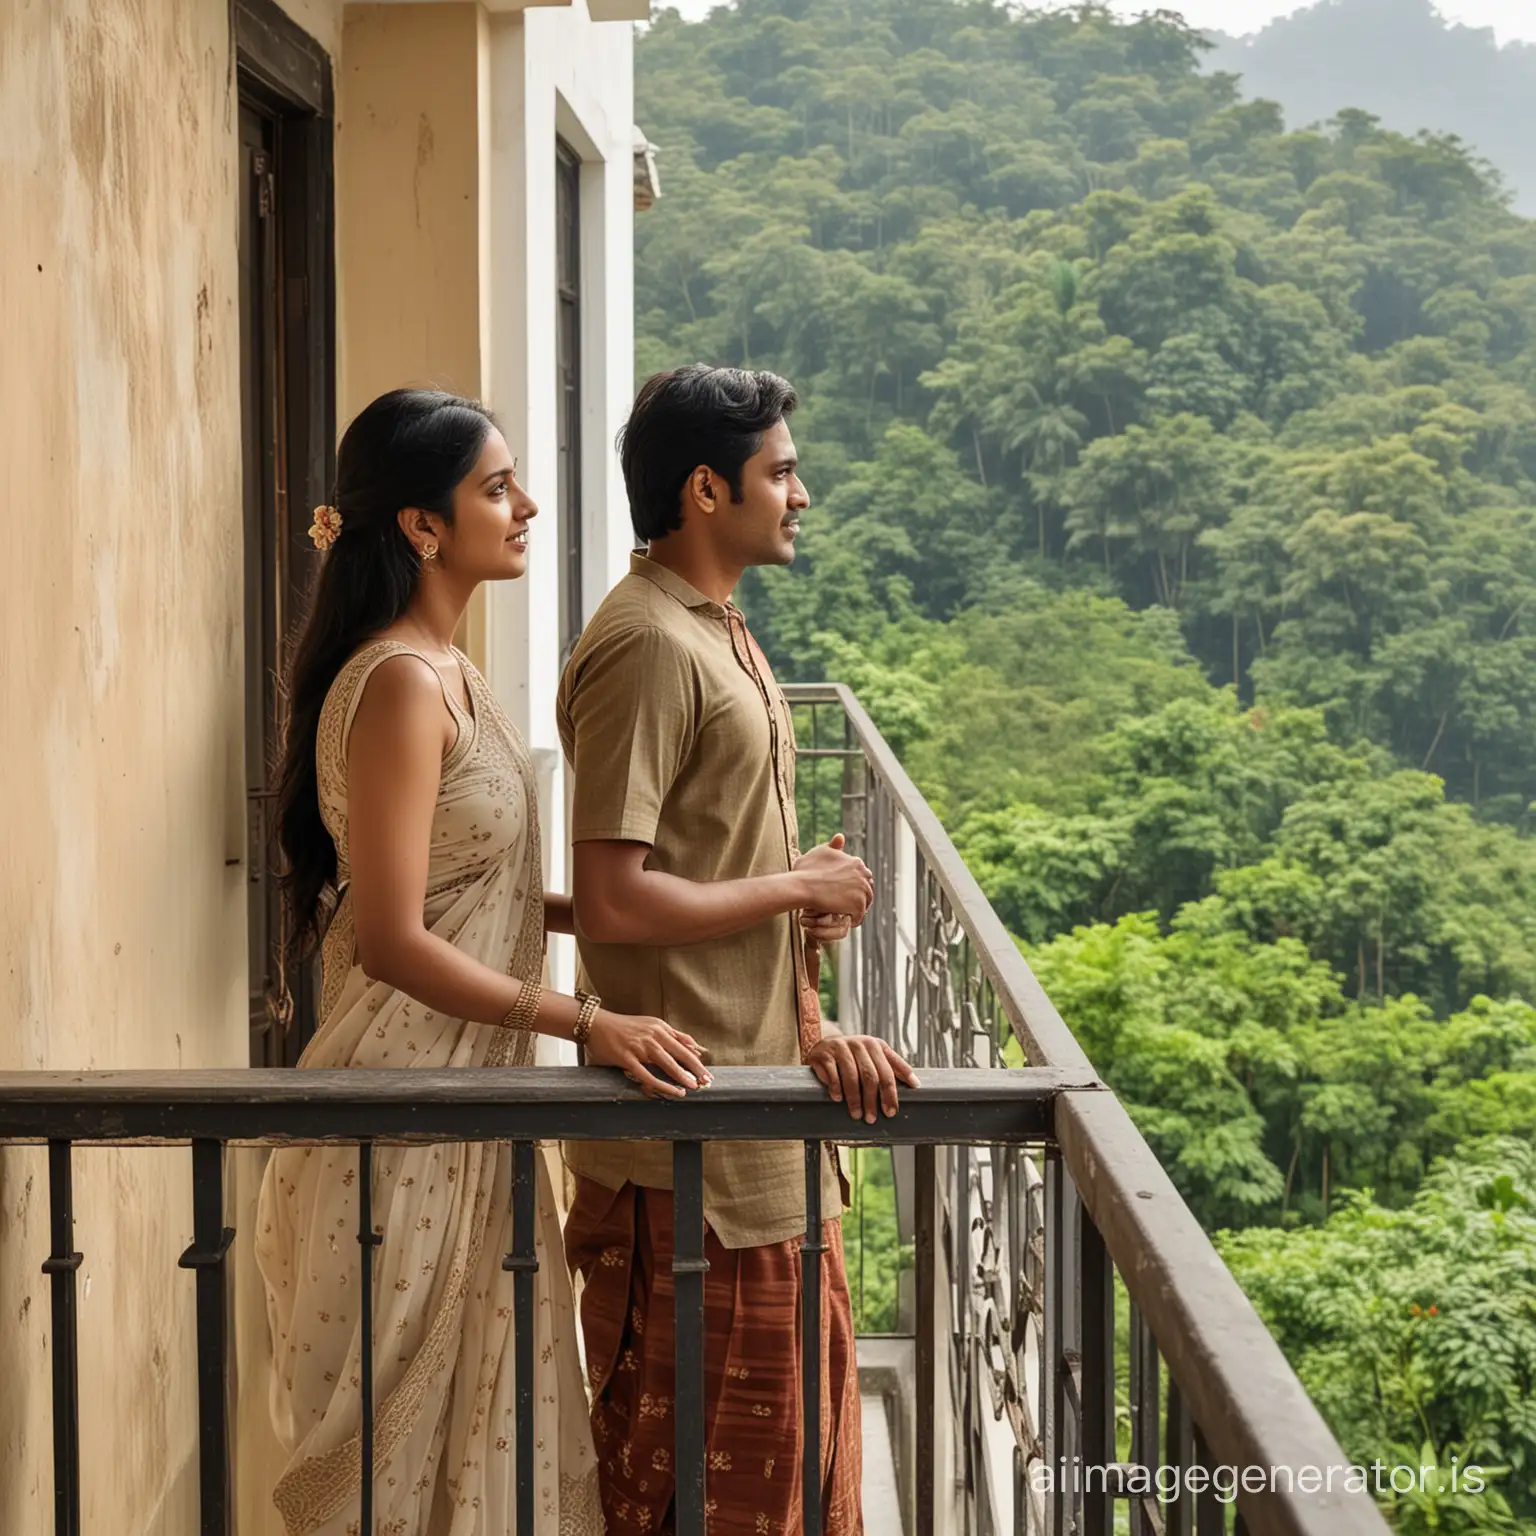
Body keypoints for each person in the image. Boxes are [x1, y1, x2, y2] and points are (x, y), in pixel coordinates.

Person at [254, 388, 709, 1536]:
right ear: (420, 526)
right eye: (495, 488)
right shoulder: (402, 684)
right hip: (403, 1121)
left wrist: (694, 913)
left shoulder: (456, 675)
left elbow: (481, 893)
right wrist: (588, 1025)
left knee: (485, 1448)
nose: (527, 505)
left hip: (471, 1114)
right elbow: (394, 939)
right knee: (398, 1465)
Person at [557, 365, 920, 1535]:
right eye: (781, 473)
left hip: (763, 1138)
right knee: (706, 1504)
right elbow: (613, 900)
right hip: (687, 1173)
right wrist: (791, 883)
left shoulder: (717, 631)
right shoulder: (647, 645)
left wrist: (799, 915)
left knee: (800, 1492)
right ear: (706, 490)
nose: (801, 494)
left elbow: (700, 862)